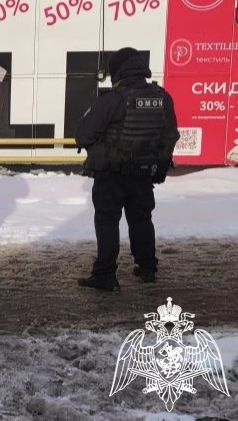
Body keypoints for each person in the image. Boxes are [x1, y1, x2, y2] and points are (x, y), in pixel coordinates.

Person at [75, 47, 180, 292]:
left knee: (107, 221)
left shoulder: (113, 99)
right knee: (141, 219)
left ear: (118, 72)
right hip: (144, 174)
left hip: (111, 174)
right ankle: (147, 268)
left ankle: (105, 275)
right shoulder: (162, 97)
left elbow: (83, 135)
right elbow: (170, 135)